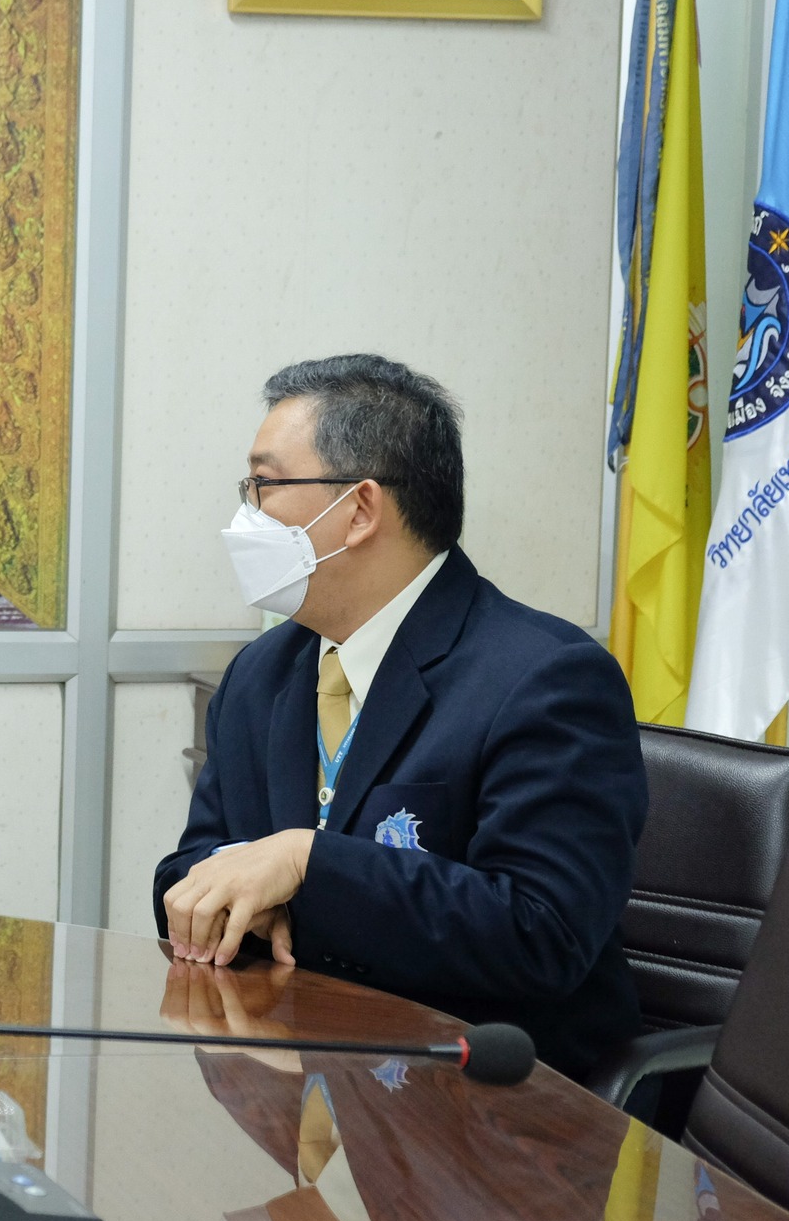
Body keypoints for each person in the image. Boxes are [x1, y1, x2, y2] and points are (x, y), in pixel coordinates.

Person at [153, 354, 647, 1077]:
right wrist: (238, 892)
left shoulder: (546, 678)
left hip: (483, 1115)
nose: (245, 514)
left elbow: (543, 934)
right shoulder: (262, 675)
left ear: (358, 510)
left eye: (263, 484)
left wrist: (306, 863)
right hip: (298, 1086)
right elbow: (190, 868)